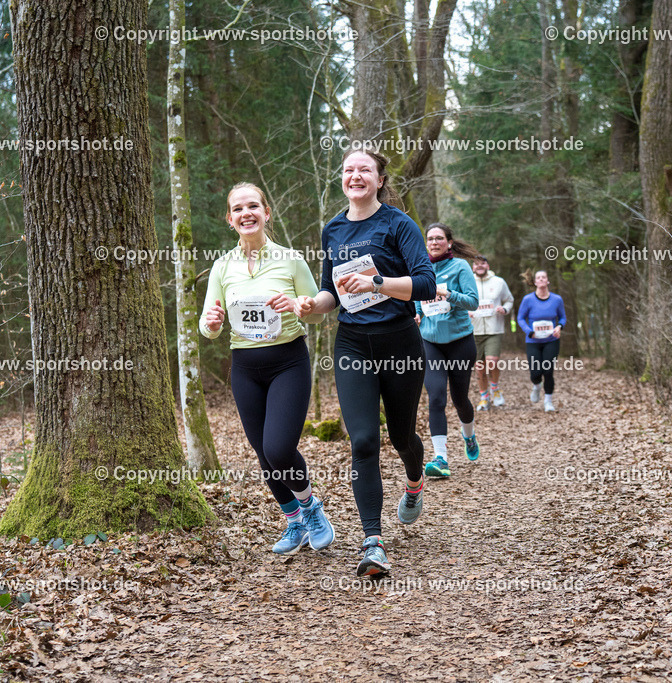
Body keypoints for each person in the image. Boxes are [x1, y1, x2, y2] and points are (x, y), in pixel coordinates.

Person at [295, 149, 436, 578]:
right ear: (342, 178)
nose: (355, 176)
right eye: (348, 170)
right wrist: (312, 305)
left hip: (400, 343)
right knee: (363, 441)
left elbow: (426, 284)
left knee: (401, 436)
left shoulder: (398, 224)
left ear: (379, 179)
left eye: (365, 170)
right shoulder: (333, 229)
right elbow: (331, 291)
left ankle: (414, 481)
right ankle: (372, 542)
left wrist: (376, 282)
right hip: (353, 345)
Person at [199, 182, 334, 555]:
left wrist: (303, 306)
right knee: (262, 453)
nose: (246, 213)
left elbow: (318, 314)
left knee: (278, 448)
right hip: (245, 367)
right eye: (238, 209)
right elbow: (209, 326)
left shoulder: (291, 260)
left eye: (253, 206)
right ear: (230, 219)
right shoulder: (222, 266)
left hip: (288, 362)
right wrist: (211, 323)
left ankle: (312, 509)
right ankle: (295, 522)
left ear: (266, 213)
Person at [415, 224, 480, 478]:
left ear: (449, 242)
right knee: (436, 397)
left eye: (439, 238)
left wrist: (448, 294)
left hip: (460, 342)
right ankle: (440, 458)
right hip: (430, 342)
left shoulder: (460, 267)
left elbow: (472, 301)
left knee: (460, 399)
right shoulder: (420, 269)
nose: (434, 242)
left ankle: (469, 435)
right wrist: (416, 315)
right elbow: (417, 301)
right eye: (430, 239)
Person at [516, 270, 566, 412]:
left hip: (551, 340)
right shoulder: (528, 299)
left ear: (548, 281)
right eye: (539, 277)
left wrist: (559, 327)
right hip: (533, 341)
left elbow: (562, 317)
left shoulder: (557, 299)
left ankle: (548, 401)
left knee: (548, 371)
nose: (541, 279)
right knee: (535, 372)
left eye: (544, 277)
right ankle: (537, 386)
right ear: (535, 282)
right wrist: (529, 331)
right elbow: (520, 318)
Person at [470, 256, 514, 410]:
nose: (479, 266)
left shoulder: (499, 282)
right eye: (476, 264)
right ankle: (484, 397)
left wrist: (505, 309)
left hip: (494, 329)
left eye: (482, 263)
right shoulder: (467, 282)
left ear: (487, 265)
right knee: (479, 366)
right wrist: (465, 312)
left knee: (492, 361)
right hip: (474, 330)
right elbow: (460, 301)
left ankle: (495, 388)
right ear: (473, 267)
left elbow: (509, 300)